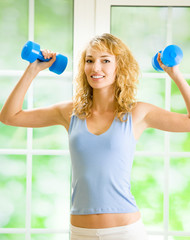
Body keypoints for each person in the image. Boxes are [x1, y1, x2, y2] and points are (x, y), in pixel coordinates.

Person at [1, 33, 190, 240]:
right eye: (89, 61)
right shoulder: (70, 112)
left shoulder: (137, 113)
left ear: (120, 67)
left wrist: (175, 74)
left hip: (125, 231)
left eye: (105, 61)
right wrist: (33, 69)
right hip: (81, 233)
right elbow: (10, 116)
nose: (95, 68)